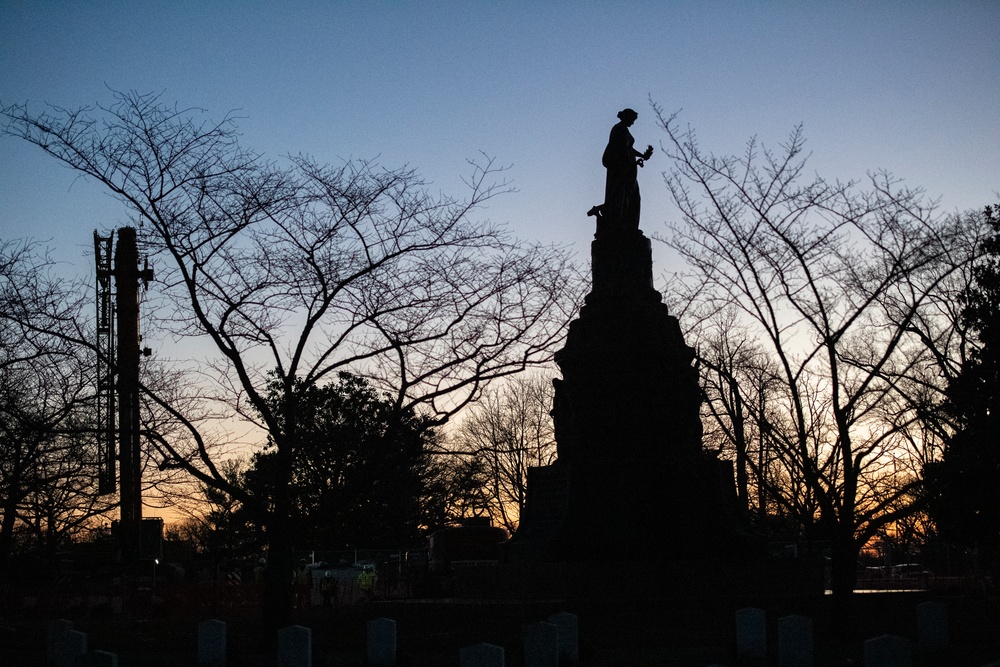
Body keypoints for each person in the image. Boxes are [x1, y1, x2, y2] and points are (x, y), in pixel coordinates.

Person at [588, 108, 653, 230]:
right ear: (626, 117)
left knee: (631, 197)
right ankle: (620, 224)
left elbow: (629, 149)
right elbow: (621, 150)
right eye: (632, 120)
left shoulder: (624, 130)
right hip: (621, 170)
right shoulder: (619, 129)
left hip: (628, 169)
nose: (633, 123)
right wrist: (632, 164)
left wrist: (642, 156)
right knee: (621, 197)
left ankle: (628, 225)